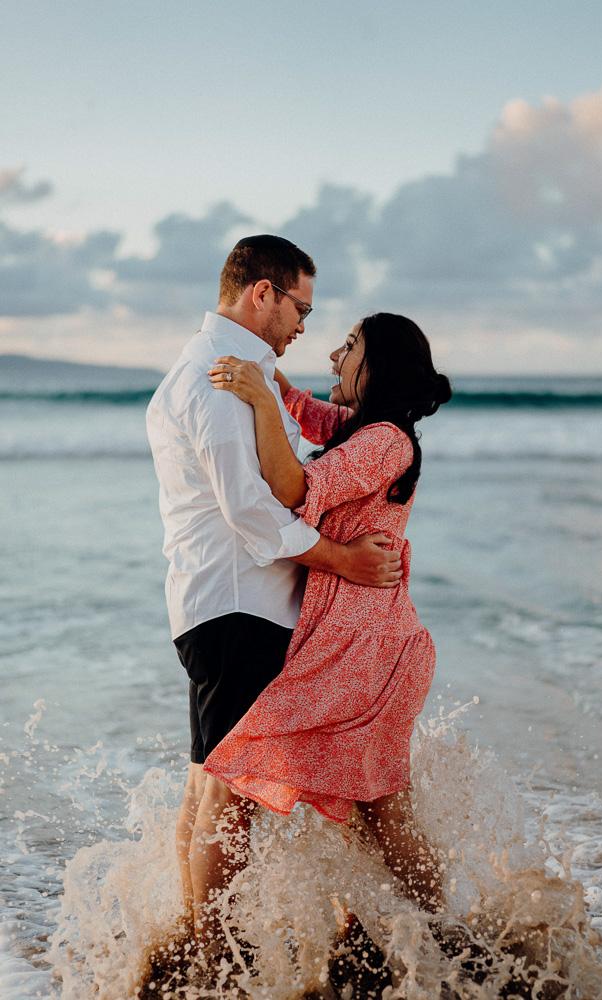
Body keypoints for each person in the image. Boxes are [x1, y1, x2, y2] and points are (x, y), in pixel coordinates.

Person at [145, 237, 403, 946]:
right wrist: (342, 559)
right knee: (229, 791)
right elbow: (251, 509)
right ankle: (211, 952)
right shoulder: (220, 377)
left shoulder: (235, 374)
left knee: (210, 779)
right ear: (263, 292)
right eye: (301, 309)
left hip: (223, 603)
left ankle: (202, 943)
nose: (303, 328)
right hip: (239, 605)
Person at [204, 312, 452, 916]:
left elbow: (292, 488)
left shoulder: (385, 441)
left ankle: (442, 933)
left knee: (246, 766)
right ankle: (405, 934)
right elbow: (311, 412)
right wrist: (272, 380)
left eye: (349, 347)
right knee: (371, 809)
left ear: (379, 366)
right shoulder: (361, 428)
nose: (334, 358)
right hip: (355, 640)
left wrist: (261, 399)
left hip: (366, 647)